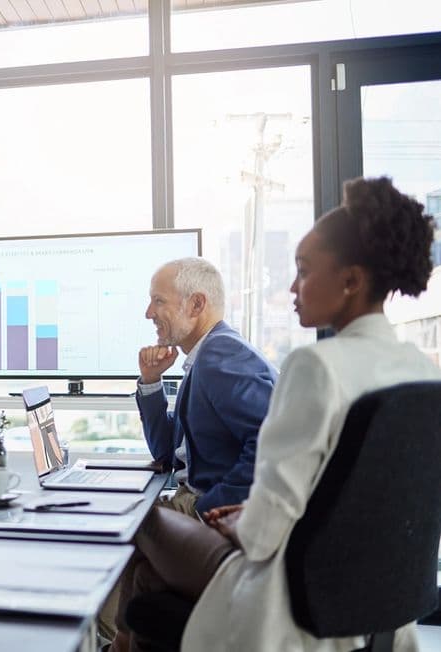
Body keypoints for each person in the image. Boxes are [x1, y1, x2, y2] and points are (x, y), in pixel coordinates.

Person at [117, 176, 440, 652]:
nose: (292, 286)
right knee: (147, 577)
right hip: (374, 590)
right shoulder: (419, 369)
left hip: (287, 586)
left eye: (305, 270)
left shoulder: (315, 365)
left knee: (139, 518)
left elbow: (266, 531)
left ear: (350, 281)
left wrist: (233, 518)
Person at [136, 257, 277, 517]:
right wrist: (151, 381)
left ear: (196, 304)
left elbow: (273, 442)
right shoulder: (204, 357)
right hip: (189, 498)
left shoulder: (221, 354)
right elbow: (166, 452)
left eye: (159, 301)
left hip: (205, 506)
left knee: (107, 534)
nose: (149, 313)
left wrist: (210, 509)